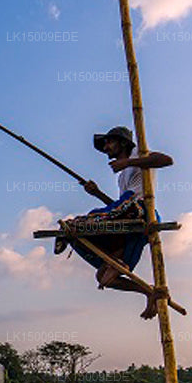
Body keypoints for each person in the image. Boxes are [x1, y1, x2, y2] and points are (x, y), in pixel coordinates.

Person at [57, 126, 173, 319]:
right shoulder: (122, 178)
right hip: (128, 214)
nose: (106, 147)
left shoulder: (138, 153)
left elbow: (166, 160)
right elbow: (117, 209)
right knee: (104, 278)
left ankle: (116, 256)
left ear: (122, 142)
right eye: (105, 144)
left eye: (109, 142)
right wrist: (97, 193)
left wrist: (128, 161)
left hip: (142, 211)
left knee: (84, 222)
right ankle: (148, 291)